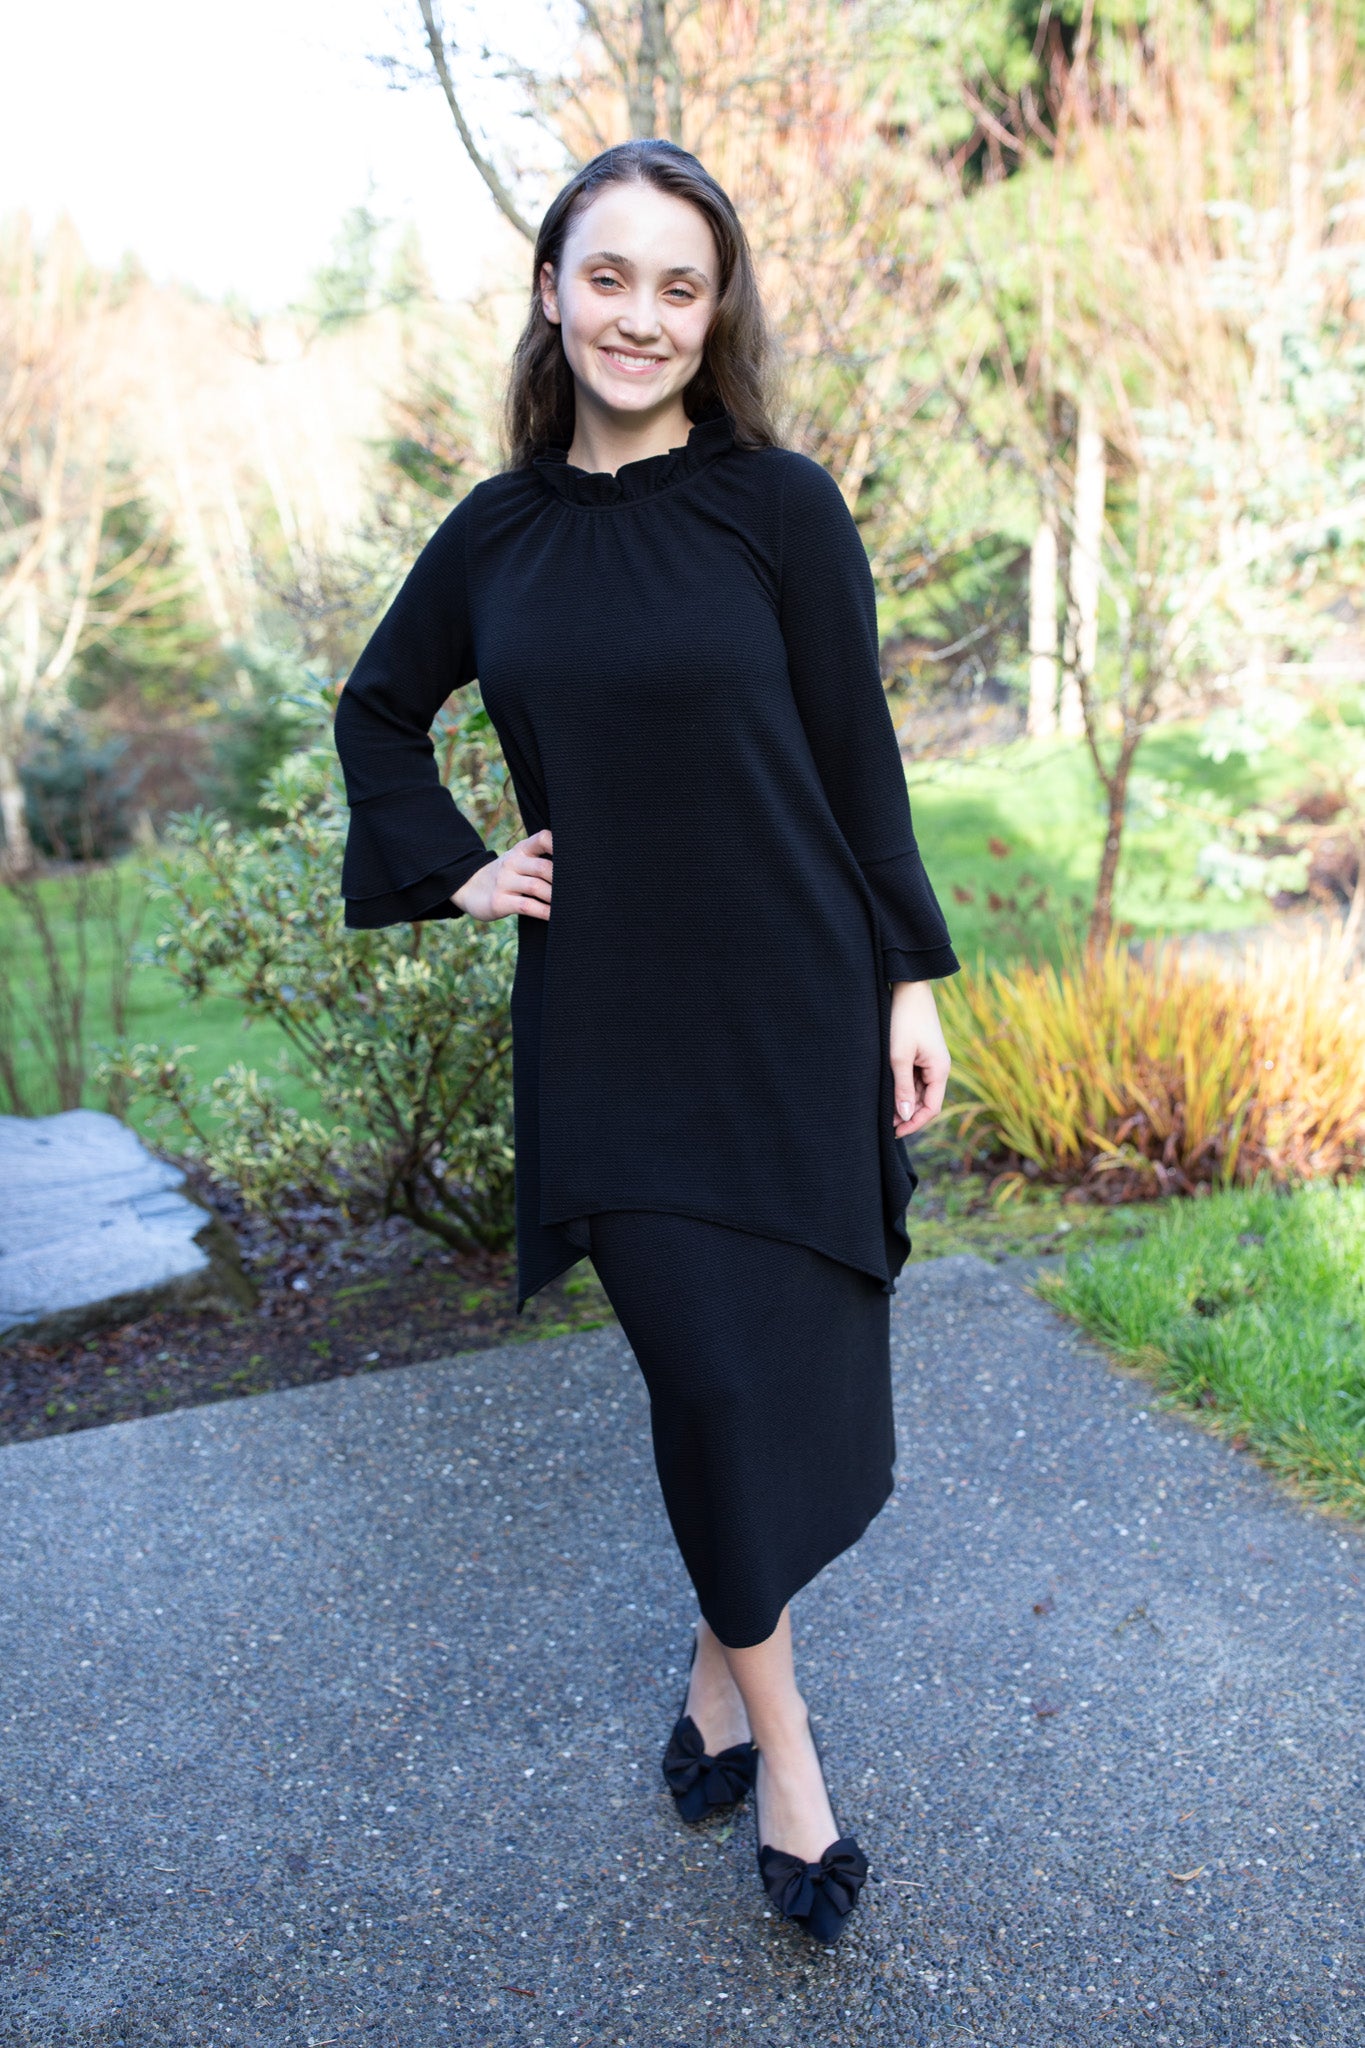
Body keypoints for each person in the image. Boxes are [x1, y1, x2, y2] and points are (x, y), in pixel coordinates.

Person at [333, 137, 958, 1946]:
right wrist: (456, 869)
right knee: (711, 1384)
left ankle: (711, 1674)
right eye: (608, 276)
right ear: (550, 292)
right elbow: (378, 710)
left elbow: (854, 758)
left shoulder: (780, 507)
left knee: (776, 1381)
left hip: (792, 1007)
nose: (641, 316)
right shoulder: (495, 535)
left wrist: (907, 981)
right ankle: (789, 1760)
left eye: (679, 286)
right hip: (610, 1035)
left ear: (715, 311)